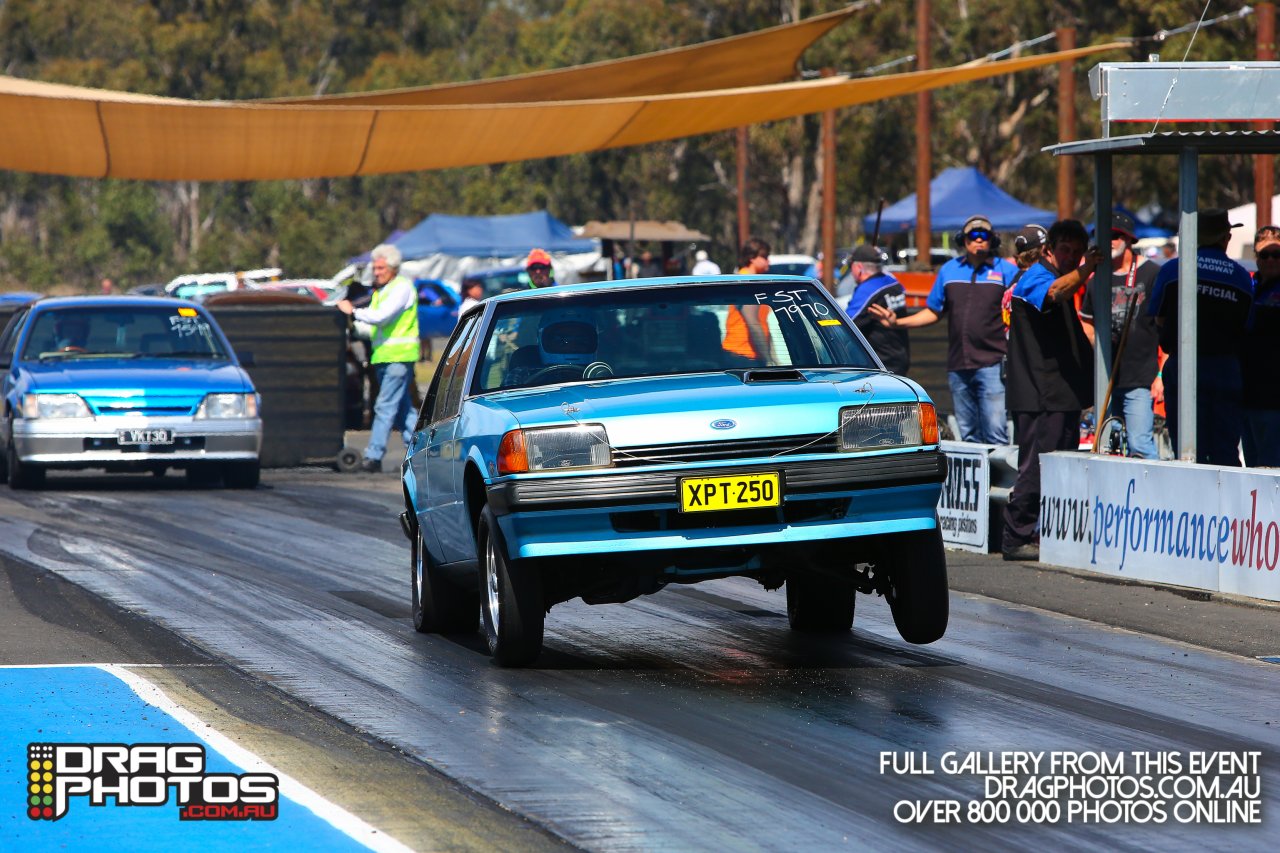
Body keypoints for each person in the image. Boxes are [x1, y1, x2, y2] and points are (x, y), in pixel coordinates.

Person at [871, 214, 1019, 444]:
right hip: (958, 365)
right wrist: (897, 323)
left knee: (995, 431)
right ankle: (977, 481)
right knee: (968, 432)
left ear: (993, 241)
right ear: (964, 240)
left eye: (984, 236)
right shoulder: (949, 270)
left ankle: (999, 480)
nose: (979, 240)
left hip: (992, 363)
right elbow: (933, 311)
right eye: (973, 236)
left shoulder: (1007, 272)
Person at [1001, 220, 1100, 561]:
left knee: (1060, 469)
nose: (1071, 258)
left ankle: (1047, 534)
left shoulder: (1062, 276)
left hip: (1061, 394)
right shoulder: (1034, 277)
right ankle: (1016, 537)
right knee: (1036, 467)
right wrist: (1086, 269)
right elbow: (1055, 292)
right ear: (1048, 250)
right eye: (1065, 251)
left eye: (1077, 252)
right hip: (1039, 395)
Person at [1148, 208, 1254, 465]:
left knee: (1186, 451)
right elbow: (1247, 327)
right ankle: (1225, 505)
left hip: (1184, 366)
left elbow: (1158, 318)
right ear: (1226, 238)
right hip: (1225, 369)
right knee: (1225, 453)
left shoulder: (1173, 270)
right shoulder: (1241, 277)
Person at [1079, 211, 1162, 459]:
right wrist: (1098, 346)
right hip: (1106, 381)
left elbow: (1167, 327)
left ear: (1129, 240)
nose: (1109, 241)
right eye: (1103, 237)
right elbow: (1087, 322)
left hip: (1140, 379)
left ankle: (1153, 495)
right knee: (1108, 447)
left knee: (1140, 445)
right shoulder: (1096, 280)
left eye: (1115, 236)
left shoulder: (1151, 273)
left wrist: (1161, 375)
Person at [337, 243, 419, 473]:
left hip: (398, 358)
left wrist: (352, 310)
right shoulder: (382, 291)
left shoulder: (402, 288)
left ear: (393, 268)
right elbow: (374, 329)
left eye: (381, 267)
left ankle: (373, 456)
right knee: (403, 410)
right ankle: (423, 452)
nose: (376, 271)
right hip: (383, 358)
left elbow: (381, 318)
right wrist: (353, 328)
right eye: (375, 267)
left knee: (383, 406)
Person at [1243, 225, 1280, 466]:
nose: (1269, 260)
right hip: (1247, 393)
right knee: (1252, 466)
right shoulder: (1248, 286)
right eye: (1263, 255)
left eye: (1276, 255)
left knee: (1272, 468)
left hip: (1275, 398)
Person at [842, 244, 909, 374]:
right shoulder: (892, 282)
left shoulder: (868, 290)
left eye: (851, 267)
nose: (851, 271)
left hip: (881, 364)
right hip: (900, 357)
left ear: (859, 267)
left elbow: (847, 325)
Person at [725, 237, 772, 363]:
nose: (769, 261)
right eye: (765, 257)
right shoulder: (746, 281)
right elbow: (753, 323)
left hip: (749, 354)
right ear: (752, 257)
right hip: (743, 355)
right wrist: (769, 361)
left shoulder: (752, 281)